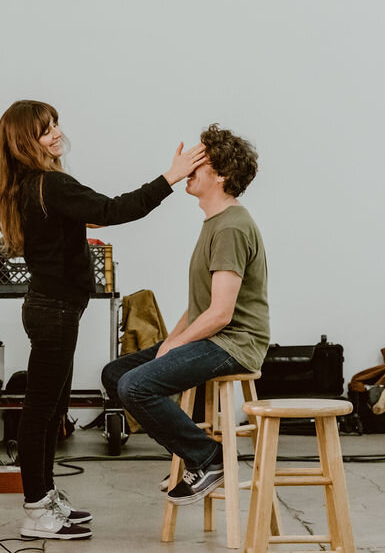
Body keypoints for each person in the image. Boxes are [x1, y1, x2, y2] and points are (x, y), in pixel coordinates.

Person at [0, 100, 206, 540]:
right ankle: (36, 510)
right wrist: (171, 176)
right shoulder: (50, 184)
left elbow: (97, 215)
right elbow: (114, 210)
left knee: (51, 411)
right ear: (25, 141)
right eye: (45, 130)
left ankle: (45, 498)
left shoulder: (32, 185)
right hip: (53, 313)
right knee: (40, 413)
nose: (56, 133)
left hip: (53, 311)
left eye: (55, 125)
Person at [101, 124, 268, 506]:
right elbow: (199, 307)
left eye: (198, 162)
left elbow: (221, 314)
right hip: (214, 337)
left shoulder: (231, 227)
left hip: (235, 344)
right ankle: (189, 452)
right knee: (115, 374)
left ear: (221, 175)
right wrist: (171, 342)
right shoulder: (215, 223)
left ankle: (208, 458)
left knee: (135, 386)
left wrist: (174, 345)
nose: (188, 169)